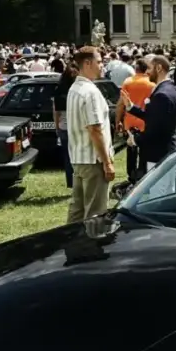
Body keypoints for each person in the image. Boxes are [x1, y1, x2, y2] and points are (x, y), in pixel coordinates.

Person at [66, 46, 115, 223]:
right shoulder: (90, 92)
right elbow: (95, 129)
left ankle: (70, 245)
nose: (102, 65)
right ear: (87, 63)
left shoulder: (74, 88)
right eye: (100, 62)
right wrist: (107, 163)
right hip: (94, 160)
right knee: (95, 212)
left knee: (77, 211)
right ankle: (90, 248)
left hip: (78, 158)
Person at [121, 55, 176, 172]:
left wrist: (135, 139)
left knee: (160, 190)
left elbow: (155, 129)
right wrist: (131, 107)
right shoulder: (170, 88)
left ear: (158, 68)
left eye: (149, 68)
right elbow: (155, 117)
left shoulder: (162, 94)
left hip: (159, 154)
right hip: (164, 151)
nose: (147, 72)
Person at [116, 58, 155, 182]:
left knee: (131, 150)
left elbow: (121, 104)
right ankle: (143, 174)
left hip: (130, 122)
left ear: (136, 69)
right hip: (145, 121)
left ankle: (131, 175)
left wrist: (118, 121)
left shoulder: (127, 82)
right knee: (145, 151)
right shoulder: (152, 84)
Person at [53, 61, 78, 189]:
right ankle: (80, 182)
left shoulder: (59, 91)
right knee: (79, 156)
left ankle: (71, 183)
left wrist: (57, 127)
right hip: (77, 128)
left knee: (68, 158)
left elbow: (56, 113)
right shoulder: (77, 90)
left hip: (64, 127)